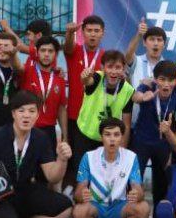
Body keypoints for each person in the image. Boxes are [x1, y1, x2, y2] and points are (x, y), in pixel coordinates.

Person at [73, 118, 149, 218]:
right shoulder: (89, 157)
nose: (112, 139)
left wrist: (136, 194)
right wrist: (82, 194)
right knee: (78, 213)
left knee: (143, 209)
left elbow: (138, 189)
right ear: (101, 137)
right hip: (96, 206)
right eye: (107, 135)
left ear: (122, 137)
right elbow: (78, 192)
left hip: (119, 207)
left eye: (116, 135)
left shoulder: (131, 157)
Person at [129, 60, 176, 215]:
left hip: (164, 144)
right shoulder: (147, 86)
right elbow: (135, 96)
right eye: (162, 79)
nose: (166, 84)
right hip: (141, 141)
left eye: (171, 80)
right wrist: (143, 97)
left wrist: (175, 151)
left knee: (162, 184)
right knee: (134, 182)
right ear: (155, 79)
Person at [63, 15, 107, 184]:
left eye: (96, 31)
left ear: (103, 33)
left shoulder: (105, 57)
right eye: (89, 30)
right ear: (82, 32)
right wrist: (69, 33)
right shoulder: (75, 51)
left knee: (95, 162)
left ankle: (93, 193)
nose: (93, 34)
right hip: (74, 116)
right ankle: (71, 192)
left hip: (95, 119)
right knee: (73, 160)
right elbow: (67, 47)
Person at [76, 49, 134, 154]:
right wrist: (84, 77)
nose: (113, 71)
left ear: (123, 68)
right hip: (84, 137)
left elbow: (126, 125)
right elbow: (87, 81)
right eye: (110, 67)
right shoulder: (97, 77)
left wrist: (123, 152)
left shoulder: (128, 90)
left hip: (108, 141)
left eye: (118, 67)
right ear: (103, 67)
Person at [22, 35, 68, 145]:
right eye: (43, 50)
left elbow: (61, 109)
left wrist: (65, 136)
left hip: (49, 131)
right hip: (26, 129)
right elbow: (16, 66)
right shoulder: (26, 71)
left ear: (56, 54)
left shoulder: (59, 78)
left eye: (50, 51)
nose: (46, 54)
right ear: (37, 52)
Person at [124, 20, 175, 93]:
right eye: (152, 39)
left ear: (164, 44)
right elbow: (128, 55)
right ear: (144, 43)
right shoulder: (137, 61)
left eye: (159, 40)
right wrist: (139, 35)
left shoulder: (169, 67)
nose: (156, 43)